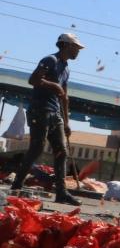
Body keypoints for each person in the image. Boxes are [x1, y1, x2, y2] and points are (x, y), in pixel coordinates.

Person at [9, 33, 85, 206]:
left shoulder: (66, 68)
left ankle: (61, 193)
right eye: (76, 47)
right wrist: (54, 85)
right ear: (66, 45)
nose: (78, 51)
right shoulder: (50, 60)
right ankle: (16, 186)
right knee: (36, 148)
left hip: (55, 113)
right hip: (40, 110)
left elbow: (64, 96)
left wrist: (66, 122)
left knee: (62, 151)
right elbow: (33, 80)